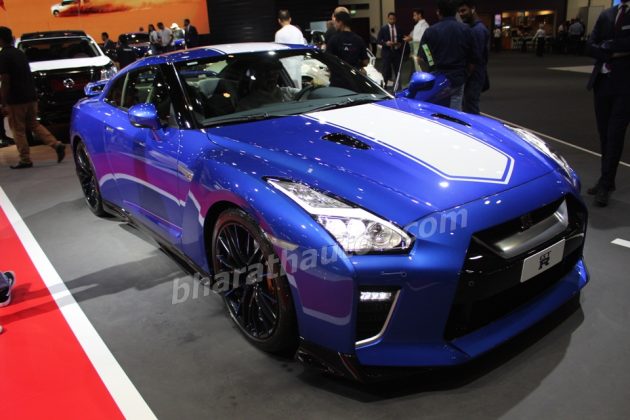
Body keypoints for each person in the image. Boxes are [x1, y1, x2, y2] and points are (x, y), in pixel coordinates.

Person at [0, 26, 65, 169]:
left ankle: (25, 159)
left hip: (16, 99)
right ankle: (56, 144)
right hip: (30, 96)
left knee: (18, 129)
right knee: (34, 124)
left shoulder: (3, 56)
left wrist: (3, 101)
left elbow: (5, 80)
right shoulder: (20, 53)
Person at [586, 0, 630, 207]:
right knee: (604, 134)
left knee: (615, 135)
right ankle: (606, 179)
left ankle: (605, 183)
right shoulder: (607, 14)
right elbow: (590, 44)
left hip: (625, 87)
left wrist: (606, 46)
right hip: (602, 83)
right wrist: (612, 51)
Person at [418, 0, 477, 111]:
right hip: (458, 78)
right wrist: (465, 75)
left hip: (437, 77)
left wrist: (432, 69)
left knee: (436, 111)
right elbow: (473, 59)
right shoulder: (466, 30)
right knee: (455, 110)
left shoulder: (430, 32)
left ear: (438, 12)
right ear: (455, 12)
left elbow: (422, 58)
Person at [458, 1, 489, 115]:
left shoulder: (478, 30)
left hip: (474, 75)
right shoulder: (471, 28)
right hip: (473, 74)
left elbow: (475, 58)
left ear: (473, 9)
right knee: (467, 106)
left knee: (471, 108)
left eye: (463, 10)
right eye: (459, 11)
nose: (461, 14)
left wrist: (465, 76)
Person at [377, 12, 404, 88]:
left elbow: (402, 39)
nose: (392, 20)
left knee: (397, 70)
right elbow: (378, 41)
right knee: (386, 71)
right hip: (386, 52)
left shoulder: (399, 28)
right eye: (390, 19)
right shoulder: (383, 29)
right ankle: (385, 87)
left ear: (395, 19)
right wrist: (386, 43)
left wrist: (400, 44)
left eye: (393, 19)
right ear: (388, 19)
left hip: (396, 52)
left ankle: (398, 87)